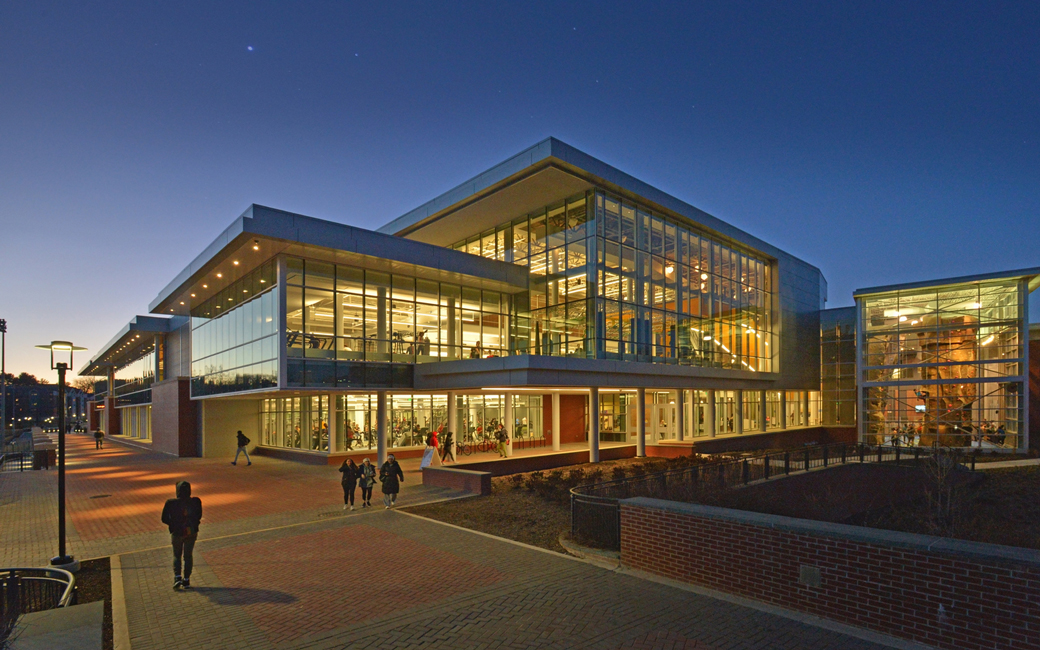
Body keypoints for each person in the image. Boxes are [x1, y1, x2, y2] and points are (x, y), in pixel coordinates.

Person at [161, 481, 203, 590]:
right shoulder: (196, 501)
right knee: (188, 556)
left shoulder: (170, 503)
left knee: (177, 555)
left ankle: (177, 577)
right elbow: (199, 515)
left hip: (177, 532)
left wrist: (173, 525)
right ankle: (187, 579)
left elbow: (164, 518)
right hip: (191, 531)